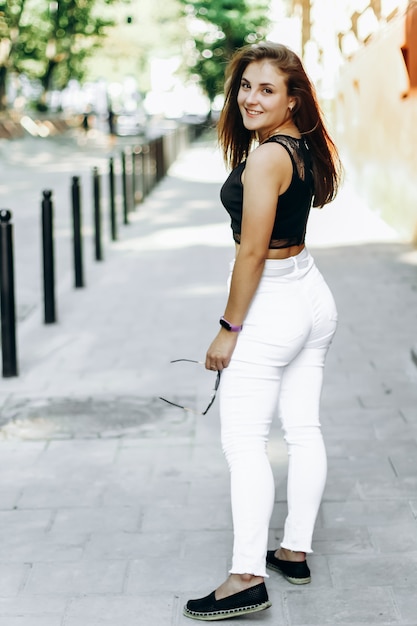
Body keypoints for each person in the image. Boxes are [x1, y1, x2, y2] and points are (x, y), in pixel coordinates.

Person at [183, 41, 342, 621]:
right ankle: (293, 552)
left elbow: (251, 253)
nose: (250, 97)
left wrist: (229, 328)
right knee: (303, 427)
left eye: (266, 88)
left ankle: (247, 576)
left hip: (273, 303)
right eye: (246, 85)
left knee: (243, 442)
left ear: (293, 97)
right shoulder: (302, 144)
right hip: (310, 294)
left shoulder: (266, 159)